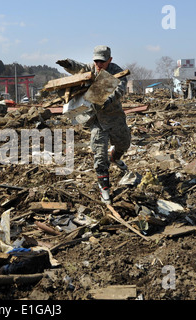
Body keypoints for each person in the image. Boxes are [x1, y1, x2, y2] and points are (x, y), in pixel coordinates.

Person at [57, 45, 131, 204]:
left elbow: (120, 89)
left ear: (109, 60)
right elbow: (80, 68)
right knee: (99, 151)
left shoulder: (117, 72)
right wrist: (68, 64)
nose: (99, 64)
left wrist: (108, 99)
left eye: (102, 62)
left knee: (124, 143)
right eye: (96, 61)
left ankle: (115, 157)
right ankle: (104, 186)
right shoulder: (91, 68)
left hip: (114, 116)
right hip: (95, 118)